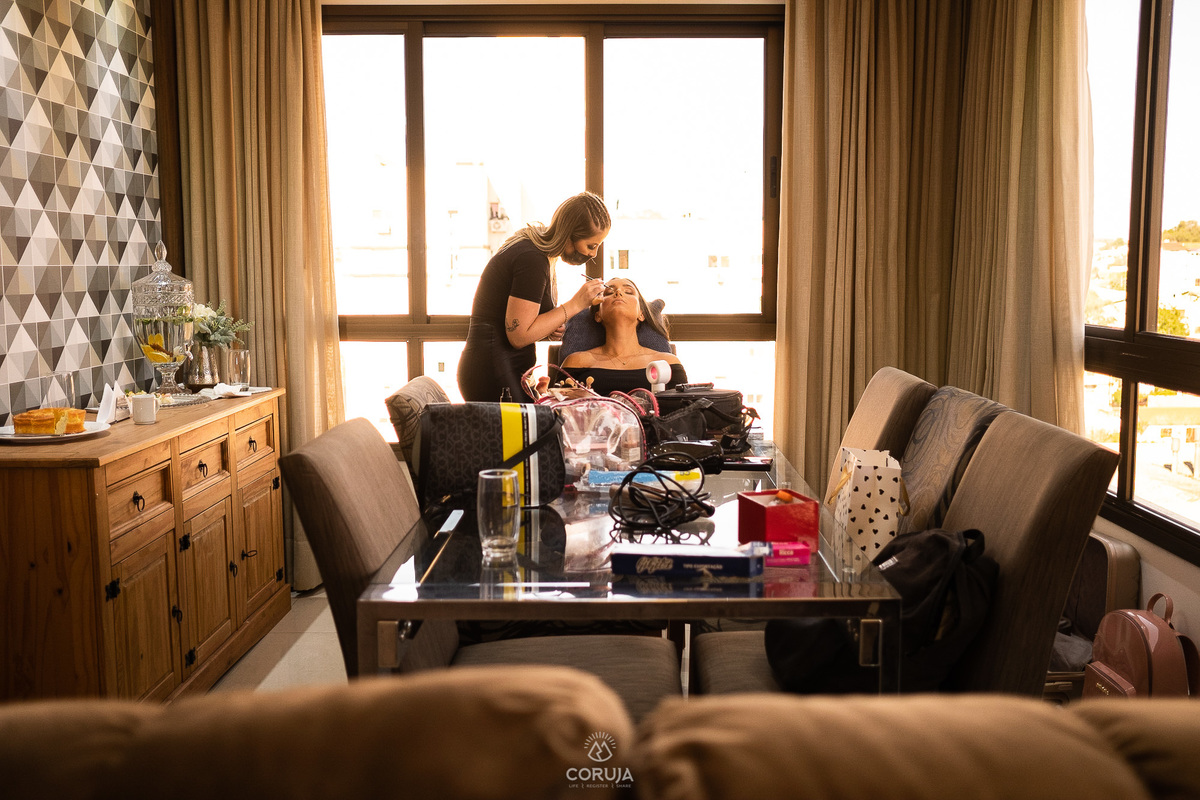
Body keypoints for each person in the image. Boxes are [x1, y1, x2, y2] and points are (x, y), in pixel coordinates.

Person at [458, 192, 609, 402]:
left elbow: (520, 322)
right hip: (494, 371)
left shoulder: (536, 251)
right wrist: (576, 304)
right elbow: (518, 336)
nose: (593, 254)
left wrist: (550, 324)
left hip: (501, 367)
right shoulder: (532, 259)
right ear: (568, 234)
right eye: (591, 245)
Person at [559, 277, 688, 396]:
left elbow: (684, 409)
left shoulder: (666, 362)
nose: (618, 292)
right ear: (598, 315)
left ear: (641, 314)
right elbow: (558, 406)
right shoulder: (577, 361)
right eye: (609, 292)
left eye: (628, 292)